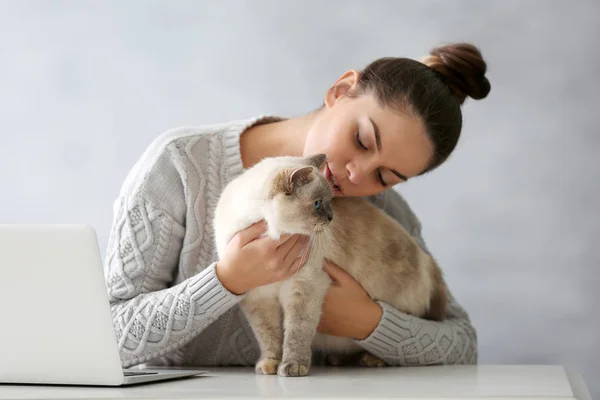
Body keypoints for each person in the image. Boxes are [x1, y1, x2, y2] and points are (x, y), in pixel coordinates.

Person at [104, 43, 491, 369]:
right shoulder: (180, 166)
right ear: (340, 91)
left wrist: (369, 322)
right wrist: (227, 281)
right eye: (361, 139)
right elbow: (106, 337)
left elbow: (462, 344)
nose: (356, 175)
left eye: (385, 176)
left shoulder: (378, 208)